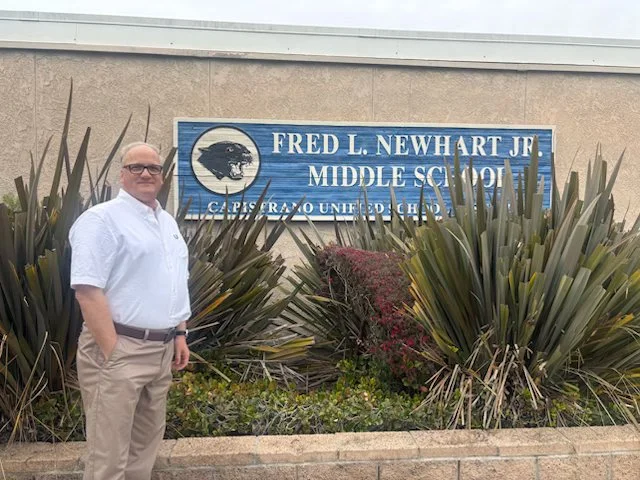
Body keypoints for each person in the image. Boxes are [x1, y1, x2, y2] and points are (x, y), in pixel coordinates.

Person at [69, 142, 191, 480]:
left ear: (162, 178)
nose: (146, 174)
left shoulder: (166, 223)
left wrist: (180, 333)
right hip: (119, 347)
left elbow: (174, 281)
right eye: (136, 167)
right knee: (108, 457)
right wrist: (113, 351)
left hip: (161, 349)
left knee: (143, 451)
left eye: (153, 168)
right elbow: (87, 291)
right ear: (122, 175)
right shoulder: (101, 220)